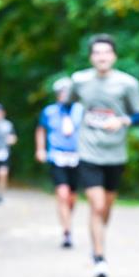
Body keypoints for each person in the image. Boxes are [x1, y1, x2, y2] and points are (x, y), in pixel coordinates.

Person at [67, 34, 139, 277]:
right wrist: (69, 123)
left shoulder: (127, 84)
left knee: (107, 208)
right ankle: (99, 258)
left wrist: (123, 120)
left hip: (115, 153)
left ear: (114, 56)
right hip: (88, 151)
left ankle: (98, 239)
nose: (101, 57)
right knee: (97, 205)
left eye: (106, 52)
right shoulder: (79, 81)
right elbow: (66, 104)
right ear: (91, 57)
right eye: (97, 53)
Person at [36, 77, 84, 248]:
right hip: (57, 155)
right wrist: (40, 149)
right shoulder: (49, 111)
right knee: (62, 194)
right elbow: (41, 129)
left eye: (68, 92)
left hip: (77, 156)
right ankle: (67, 231)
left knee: (72, 197)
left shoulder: (80, 110)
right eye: (62, 92)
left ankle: (68, 220)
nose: (65, 95)